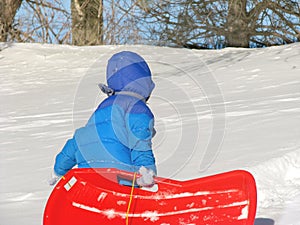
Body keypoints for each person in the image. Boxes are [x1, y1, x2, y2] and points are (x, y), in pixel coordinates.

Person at [49, 51, 157, 187]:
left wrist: (58, 171)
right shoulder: (138, 109)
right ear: (145, 83)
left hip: (89, 182)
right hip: (121, 181)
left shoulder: (101, 109)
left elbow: (76, 144)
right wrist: (148, 173)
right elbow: (140, 146)